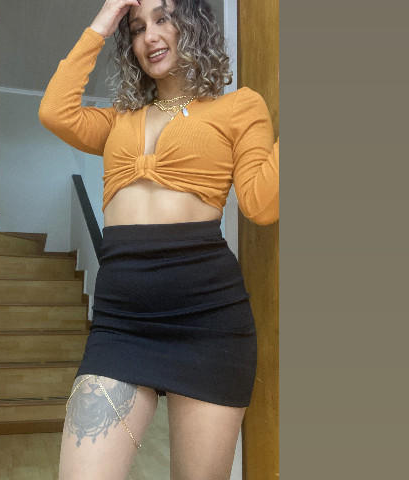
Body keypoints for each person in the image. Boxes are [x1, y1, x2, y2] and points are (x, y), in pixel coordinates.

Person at [38, 0, 279, 478]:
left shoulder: (239, 107)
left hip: (209, 325)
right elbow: (54, 110)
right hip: (121, 326)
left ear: (193, 24)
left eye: (163, 18)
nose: (149, 36)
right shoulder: (117, 120)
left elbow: (260, 204)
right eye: (136, 27)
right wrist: (106, 18)